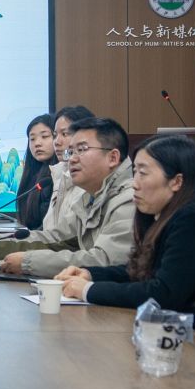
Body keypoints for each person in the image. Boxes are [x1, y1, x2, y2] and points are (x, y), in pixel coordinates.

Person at [59, 134, 195, 354]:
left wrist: (88, 290)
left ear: (176, 182)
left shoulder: (194, 219)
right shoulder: (166, 213)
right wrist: (90, 274)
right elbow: (142, 272)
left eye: (143, 173)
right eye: (134, 172)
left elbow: (162, 294)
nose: (134, 184)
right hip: (178, 339)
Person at [15, 117, 135, 279]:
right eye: (71, 152)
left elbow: (105, 260)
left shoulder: (129, 199)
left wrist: (28, 262)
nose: (72, 159)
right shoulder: (89, 198)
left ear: (113, 158)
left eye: (82, 149)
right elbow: (55, 239)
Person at [0, 105, 95, 254]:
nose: (57, 142)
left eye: (64, 134)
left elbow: (62, 242)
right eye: (55, 135)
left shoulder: (86, 184)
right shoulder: (57, 176)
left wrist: (24, 260)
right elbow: (52, 237)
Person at [13, 113, 58, 233]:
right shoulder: (33, 177)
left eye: (44, 136)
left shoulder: (62, 176)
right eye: (32, 139)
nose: (37, 143)